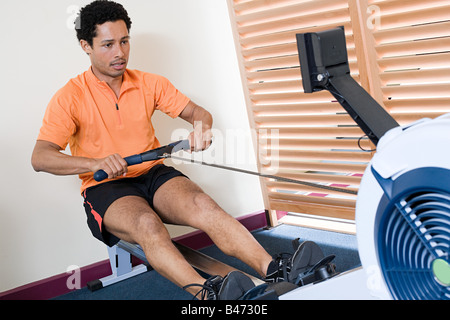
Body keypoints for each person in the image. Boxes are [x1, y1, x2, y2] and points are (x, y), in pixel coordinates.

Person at [32, 0, 302, 300]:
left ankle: (276, 269)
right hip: (105, 186)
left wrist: (202, 128)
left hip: (151, 172)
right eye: (108, 44)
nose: (119, 52)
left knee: (204, 205)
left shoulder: (148, 83)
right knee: (148, 225)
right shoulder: (69, 97)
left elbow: (198, 112)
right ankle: (207, 295)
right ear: (86, 46)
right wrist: (96, 161)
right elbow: (41, 157)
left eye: (124, 41)